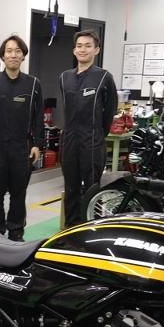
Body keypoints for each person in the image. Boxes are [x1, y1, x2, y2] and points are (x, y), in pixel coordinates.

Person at [0, 35, 43, 241]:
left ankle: (16, 232)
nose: (13, 55)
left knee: (19, 194)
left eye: (17, 51)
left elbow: (38, 118)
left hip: (22, 148)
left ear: (23, 56)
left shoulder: (33, 84)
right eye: (9, 51)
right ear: (3, 56)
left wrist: (37, 144)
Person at [59, 30, 118, 227]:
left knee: (93, 189)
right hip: (69, 141)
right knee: (71, 188)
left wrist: (98, 135)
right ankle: (71, 229)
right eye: (79, 46)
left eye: (88, 46)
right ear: (74, 50)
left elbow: (109, 111)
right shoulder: (64, 77)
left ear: (96, 50)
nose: (82, 49)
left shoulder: (104, 77)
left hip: (92, 141)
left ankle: (92, 229)